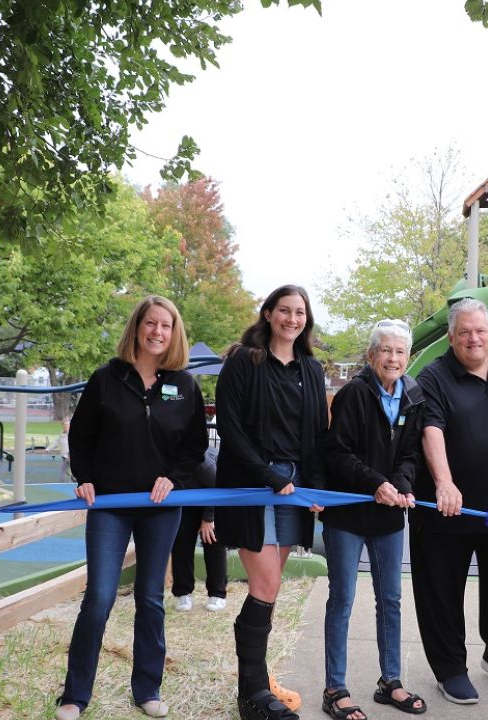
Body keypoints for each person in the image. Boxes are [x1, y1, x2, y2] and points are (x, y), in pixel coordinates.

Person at [56, 295, 208, 720]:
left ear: (174, 333)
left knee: (150, 598)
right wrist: (83, 477)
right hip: (111, 505)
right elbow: (81, 437)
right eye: (151, 324)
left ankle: (147, 688)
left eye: (166, 325)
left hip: (161, 506)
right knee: (100, 597)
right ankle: (74, 695)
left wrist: (173, 478)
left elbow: (195, 446)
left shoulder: (184, 384)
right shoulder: (107, 378)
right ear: (137, 328)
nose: (158, 332)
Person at [411, 298, 488, 705]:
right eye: (464, 332)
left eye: (480, 331)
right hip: (450, 508)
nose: (473, 338)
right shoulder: (434, 376)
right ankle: (450, 669)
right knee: (442, 592)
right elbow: (432, 429)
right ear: (451, 336)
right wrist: (444, 482)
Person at [216, 285, 329, 720]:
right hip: (254, 484)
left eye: (300, 312)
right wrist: (268, 476)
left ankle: (258, 682)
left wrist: (313, 488)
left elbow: (317, 433)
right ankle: (253, 696)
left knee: (270, 589)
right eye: (284, 310)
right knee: (265, 587)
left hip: (293, 488)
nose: (292, 319)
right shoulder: (245, 361)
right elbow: (230, 426)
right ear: (267, 314)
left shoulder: (311, 369)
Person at [321, 319, 427, 720]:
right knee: (343, 599)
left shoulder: (412, 397)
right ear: (371, 355)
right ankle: (336, 688)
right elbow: (337, 454)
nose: (394, 358)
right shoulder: (352, 394)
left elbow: (410, 456)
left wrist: (399, 484)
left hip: (387, 516)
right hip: (347, 515)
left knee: (391, 600)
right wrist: (377, 483)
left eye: (400, 352)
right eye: (386, 351)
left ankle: (391, 682)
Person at [170, 447, 228, 612]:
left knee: (213, 540)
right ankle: (182, 593)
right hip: (184, 499)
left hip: (212, 497)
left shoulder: (200, 459)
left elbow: (219, 485)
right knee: (180, 542)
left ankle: (217, 594)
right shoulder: (165, 457)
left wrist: (209, 518)